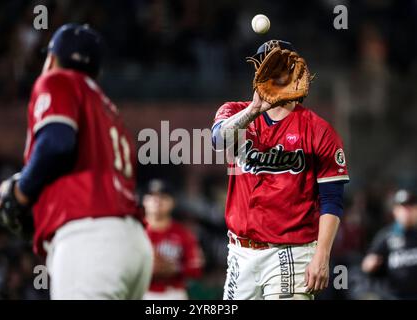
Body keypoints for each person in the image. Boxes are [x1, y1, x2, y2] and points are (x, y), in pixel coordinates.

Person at [0, 23, 153, 299]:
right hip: (133, 245)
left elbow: (56, 144)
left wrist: (20, 192)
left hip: (89, 241)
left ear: (51, 59)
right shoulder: (109, 111)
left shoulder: (57, 80)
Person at [211, 40, 350, 300]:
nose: (273, 74)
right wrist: (254, 109)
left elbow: (332, 199)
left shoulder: (318, 129)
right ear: (257, 72)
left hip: (292, 253)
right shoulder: (234, 111)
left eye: (280, 67)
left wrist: (322, 254)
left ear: (296, 72)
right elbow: (219, 140)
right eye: (266, 66)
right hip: (241, 252)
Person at [143, 179, 204, 300]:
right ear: (144, 200)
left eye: (163, 196)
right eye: (152, 196)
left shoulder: (183, 233)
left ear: (173, 202)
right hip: (142, 291)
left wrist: (175, 268)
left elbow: (197, 268)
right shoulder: (136, 231)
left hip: (172, 293)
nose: (157, 201)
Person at [362, 189, 417, 299]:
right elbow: (367, 264)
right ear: (395, 211)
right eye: (403, 208)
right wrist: (370, 265)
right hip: (394, 295)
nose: (407, 212)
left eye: (410, 208)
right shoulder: (386, 236)